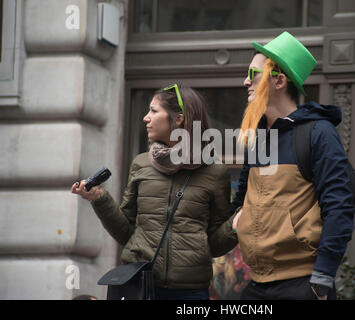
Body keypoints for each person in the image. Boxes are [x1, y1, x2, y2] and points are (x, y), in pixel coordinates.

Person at [72, 84, 238, 300]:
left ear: (178, 119)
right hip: (140, 285)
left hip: (190, 293)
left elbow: (214, 245)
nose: (145, 117)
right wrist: (100, 199)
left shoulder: (215, 173)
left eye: (153, 110)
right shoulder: (141, 164)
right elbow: (126, 233)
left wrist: (235, 227)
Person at [231, 31, 355, 300]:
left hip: (302, 284)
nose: (245, 82)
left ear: (278, 81)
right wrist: (237, 217)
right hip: (256, 284)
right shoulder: (258, 138)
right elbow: (241, 199)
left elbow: (339, 207)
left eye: (253, 74)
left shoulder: (319, 134)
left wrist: (322, 279)